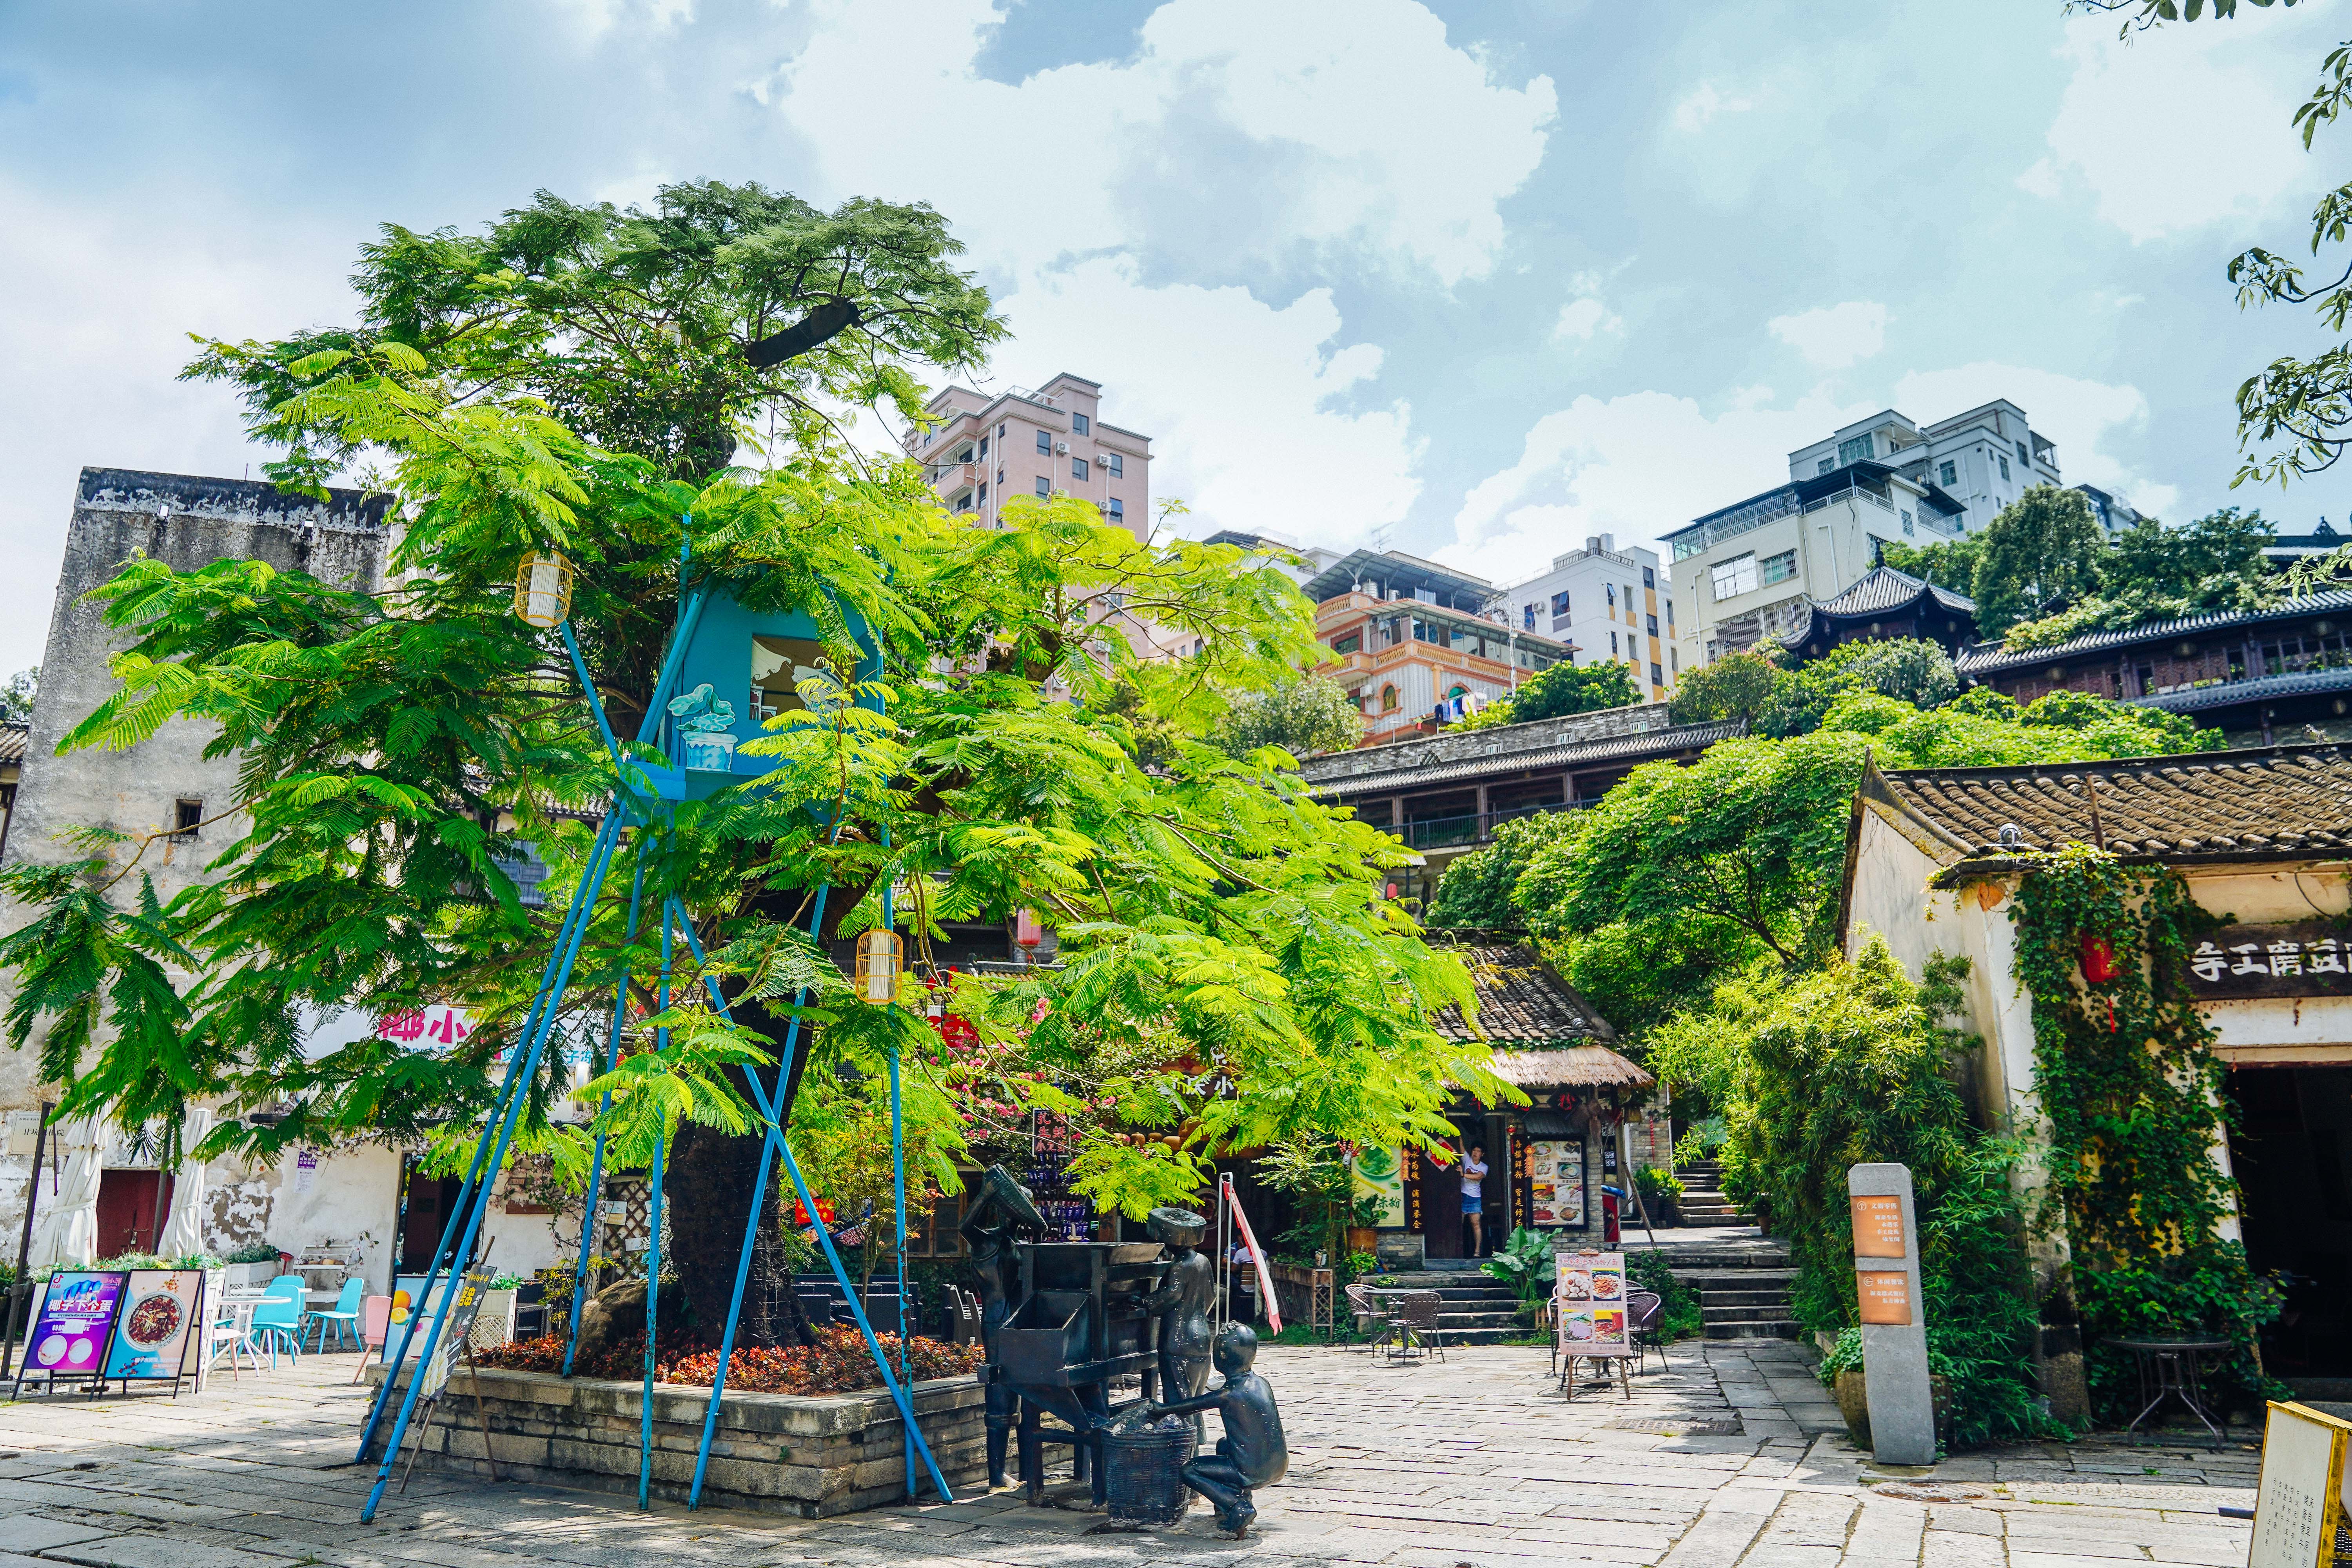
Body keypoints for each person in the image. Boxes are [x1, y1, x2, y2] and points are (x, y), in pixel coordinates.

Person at [1128, 1323, 1289, 1537]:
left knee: (1191, 1470)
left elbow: (1196, 1404)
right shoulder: (1261, 1382)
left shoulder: (1230, 1394)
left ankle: (1237, 1507)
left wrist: (1162, 1410)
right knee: (1224, 1444)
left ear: (1222, 1357)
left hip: (1252, 1471)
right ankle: (1233, 1501)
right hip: (1278, 1466)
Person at [1458, 1136, 1489, 1257]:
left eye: (1479, 1151)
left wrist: (1463, 1175)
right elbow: (1461, 1147)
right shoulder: (1467, 1159)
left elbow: (1478, 1177)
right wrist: (1459, 1135)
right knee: (1458, 1223)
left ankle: (1477, 1251)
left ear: (1482, 1154)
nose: (1476, 1153)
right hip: (1462, 1196)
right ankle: (1458, 1250)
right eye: (1474, 1150)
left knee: (1476, 1225)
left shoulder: (1484, 1167)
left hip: (1475, 1198)